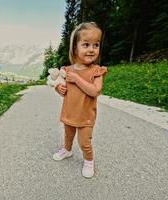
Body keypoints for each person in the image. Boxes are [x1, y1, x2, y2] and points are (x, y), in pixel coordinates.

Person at [53, 22, 108, 179]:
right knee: (68, 135)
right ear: (75, 48)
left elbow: (95, 91)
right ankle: (67, 150)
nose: (91, 49)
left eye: (96, 45)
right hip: (70, 112)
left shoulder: (97, 71)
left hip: (86, 116)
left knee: (85, 141)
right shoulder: (67, 70)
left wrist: (77, 79)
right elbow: (60, 85)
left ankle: (89, 161)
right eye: (86, 44)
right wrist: (59, 89)